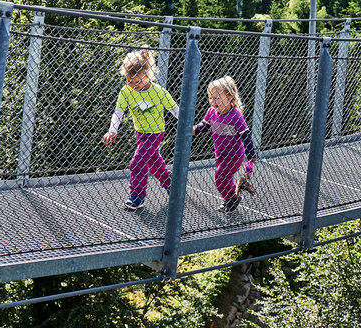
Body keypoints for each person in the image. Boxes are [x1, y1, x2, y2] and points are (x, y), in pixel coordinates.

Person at [103, 46, 179, 210]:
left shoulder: (159, 92)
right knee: (154, 163)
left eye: (137, 81)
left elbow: (174, 109)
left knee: (137, 163)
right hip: (140, 133)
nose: (133, 85)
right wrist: (112, 130)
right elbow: (118, 112)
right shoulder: (126, 91)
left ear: (148, 75)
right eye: (129, 81)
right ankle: (172, 185)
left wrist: (188, 124)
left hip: (155, 133)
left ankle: (137, 196)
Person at [193, 76, 257, 213]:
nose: (213, 101)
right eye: (211, 97)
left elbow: (245, 135)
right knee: (224, 179)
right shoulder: (211, 112)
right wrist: (194, 130)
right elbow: (204, 126)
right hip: (220, 153)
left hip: (234, 155)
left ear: (229, 98)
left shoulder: (235, 115)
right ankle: (230, 197)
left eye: (217, 98)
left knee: (220, 176)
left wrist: (251, 154)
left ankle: (232, 199)